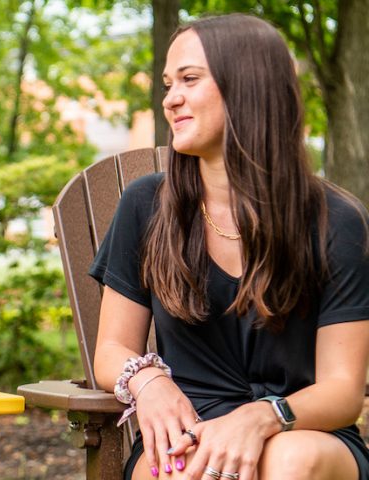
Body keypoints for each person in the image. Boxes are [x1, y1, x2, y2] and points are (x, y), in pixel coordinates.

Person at [90, 13, 369, 480]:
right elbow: (112, 347)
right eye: (167, 84)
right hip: (187, 432)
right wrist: (151, 381)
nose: (170, 99)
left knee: (287, 463)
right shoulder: (147, 205)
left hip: (302, 429)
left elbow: (342, 390)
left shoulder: (335, 221)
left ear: (248, 88)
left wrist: (260, 417)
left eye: (189, 79)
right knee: (185, 473)